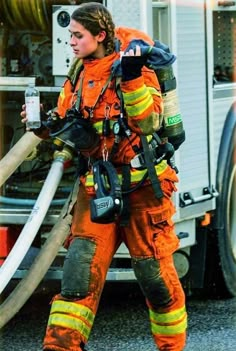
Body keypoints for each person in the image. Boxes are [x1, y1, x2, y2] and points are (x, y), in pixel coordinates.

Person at [21, 2, 187, 350]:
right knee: (78, 277)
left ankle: (172, 347)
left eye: (78, 36)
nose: (72, 42)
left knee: (155, 279)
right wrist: (42, 127)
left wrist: (129, 77)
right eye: (70, 36)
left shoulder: (134, 66)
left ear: (100, 35)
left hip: (144, 190)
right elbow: (68, 121)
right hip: (98, 190)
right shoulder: (80, 72)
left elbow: (147, 123)